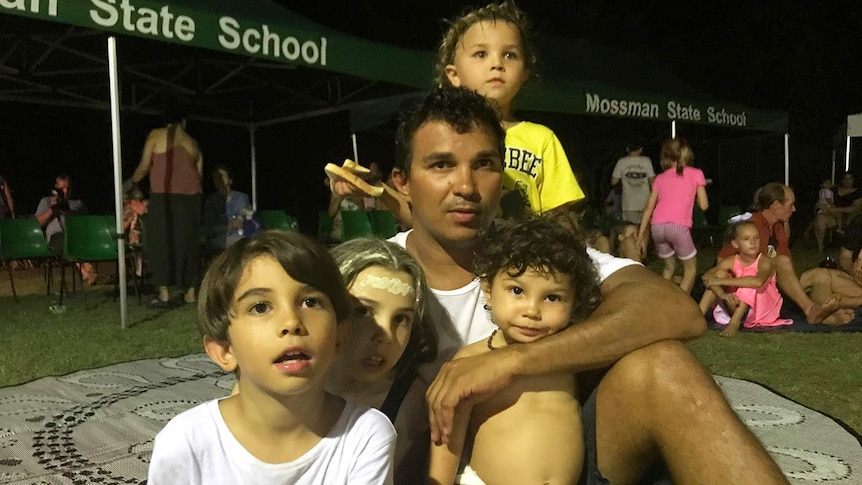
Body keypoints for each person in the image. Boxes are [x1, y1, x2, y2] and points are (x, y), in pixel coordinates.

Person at [387, 86, 787, 485]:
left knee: (665, 366)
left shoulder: (536, 257)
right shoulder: (368, 277)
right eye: (441, 165)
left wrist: (510, 361)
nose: (466, 187)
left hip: (559, 462)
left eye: (484, 164)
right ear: (402, 181)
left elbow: (678, 312)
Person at [147, 231, 396, 484]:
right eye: (260, 307)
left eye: (310, 302)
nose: (291, 322)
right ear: (224, 350)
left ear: (339, 339)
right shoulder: (186, 444)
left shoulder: (365, 435)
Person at [329, 0, 585, 225]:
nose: (497, 63)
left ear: (525, 74)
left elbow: (559, 221)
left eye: (510, 54)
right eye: (481, 54)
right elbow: (420, 220)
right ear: (453, 75)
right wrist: (375, 190)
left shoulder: (542, 140)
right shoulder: (442, 138)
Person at [427, 217, 602, 485]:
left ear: (574, 301)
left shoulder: (571, 354)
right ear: (487, 290)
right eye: (517, 291)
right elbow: (446, 434)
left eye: (552, 297)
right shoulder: (470, 362)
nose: (532, 310)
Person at [326, 237, 438, 482]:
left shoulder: (413, 404)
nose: (385, 336)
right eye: (363, 312)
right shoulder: (280, 382)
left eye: (401, 319)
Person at [717, 182, 844, 324]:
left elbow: (786, 267)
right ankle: (814, 311)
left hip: (770, 285)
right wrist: (726, 292)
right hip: (748, 290)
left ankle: (823, 310)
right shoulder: (750, 226)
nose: (794, 209)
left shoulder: (778, 227)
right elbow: (722, 260)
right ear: (776, 205)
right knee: (781, 261)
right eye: (790, 205)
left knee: (821, 274)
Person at [128, 104, 203, 308]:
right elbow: (199, 175)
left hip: (164, 196)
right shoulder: (192, 143)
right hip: (190, 199)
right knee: (187, 244)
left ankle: (165, 294)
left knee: (159, 243)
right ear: (184, 121)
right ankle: (189, 294)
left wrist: (130, 183)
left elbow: (144, 167)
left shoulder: (156, 135)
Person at [636, 137, 708, 293]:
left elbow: (649, 207)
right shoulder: (696, 174)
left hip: (657, 227)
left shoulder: (660, 178)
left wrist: (641, 236)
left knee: (668, 268)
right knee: (690, 269)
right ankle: (680, 306)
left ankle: (660, 299)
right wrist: (692, 193)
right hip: (678, 227)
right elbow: (704, 205)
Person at [700, 220, 792, 337]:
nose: (753, 242)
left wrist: (721, 281)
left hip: (760, 309)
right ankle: (697, 316)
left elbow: (757, 282)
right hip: (737, 304)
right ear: (735, 244)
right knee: (719, 274)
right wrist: (723, 294)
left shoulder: (764, 262)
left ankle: (734, 324)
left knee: (747, 285)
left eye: (756, 238)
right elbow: (706, 277)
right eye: (746, 239)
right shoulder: (732, 260)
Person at [800, 215, 862, 325]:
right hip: (854, 284)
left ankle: (827, 313)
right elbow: (845, 258)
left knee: (819, 276)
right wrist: (855, 272)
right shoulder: (859, 222)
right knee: (821, 275)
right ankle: (830, 311)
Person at [34, 174, 96, 285]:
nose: (66, 191)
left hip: (75, 236)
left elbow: (86, 224)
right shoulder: (46, 201)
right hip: (55, 239)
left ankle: (84, 269)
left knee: (73, 238)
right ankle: (85, 267)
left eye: (68, 188)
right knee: (65, 239)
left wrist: (67, 209)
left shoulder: (77, 204)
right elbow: (37, 223)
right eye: (62, 188)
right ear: (56, 188)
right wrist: (52, 210)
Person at [202, 164, 254, 254]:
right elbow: (208, 228)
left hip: (241, 234)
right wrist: (228, 226)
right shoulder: (211, 201)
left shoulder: (241, 197)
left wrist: (244, 218)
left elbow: (249, 216)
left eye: (222, 176)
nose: (219, 179)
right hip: (221, 237)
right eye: (216, 177)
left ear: (230, 180)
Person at [611, 139, 655, 224]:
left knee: (629, 229)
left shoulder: (621, 162)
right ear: (641, 149)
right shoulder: (646, 161)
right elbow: (653, 182)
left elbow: (614, 181)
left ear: (627, 149)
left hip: (628, 203)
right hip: (645, 202)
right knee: (644, 230)